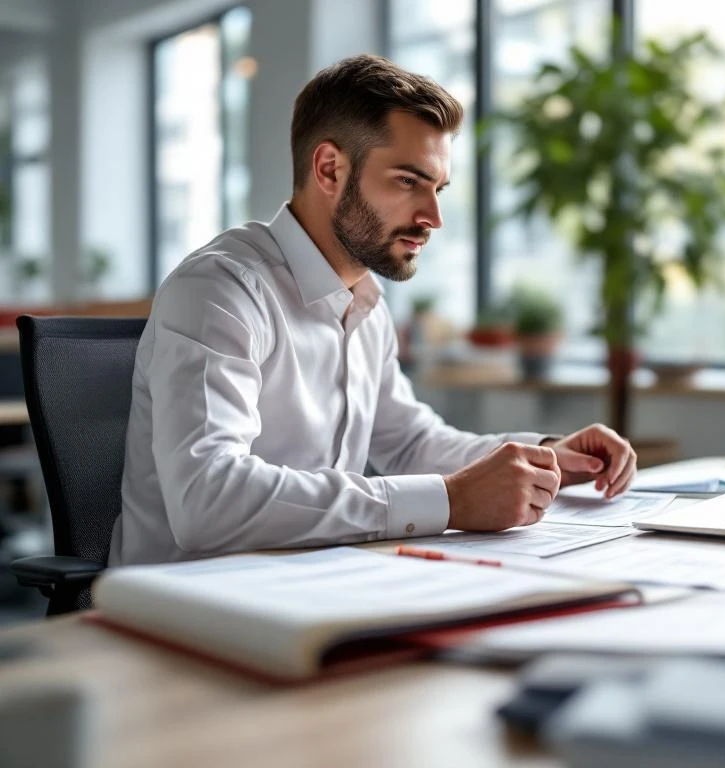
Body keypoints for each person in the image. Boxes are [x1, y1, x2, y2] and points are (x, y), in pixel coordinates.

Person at [110, 54, 637, 566]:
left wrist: (542, 455)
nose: (433, 217)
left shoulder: (365, 303)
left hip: (309, 586)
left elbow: (410, 443)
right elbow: (208, 501)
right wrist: (449, 501)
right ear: (330, 169)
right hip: (179, 607)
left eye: (438, 189)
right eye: (408, 182)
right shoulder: (220, 289)